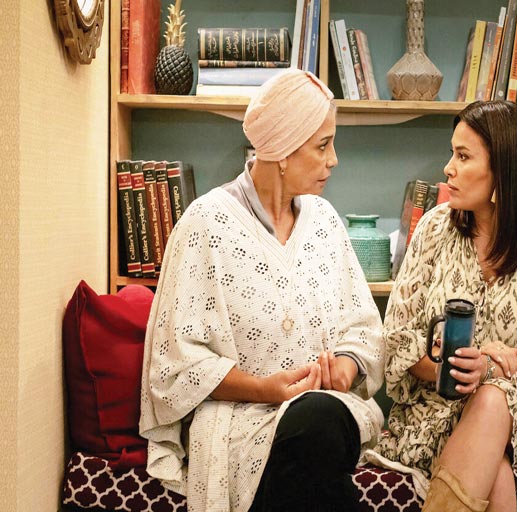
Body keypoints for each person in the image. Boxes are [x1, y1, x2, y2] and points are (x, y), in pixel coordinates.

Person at [138, 69, 385, 512]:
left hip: (329, 411)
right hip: (237, 420)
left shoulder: (325, 221)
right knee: (314, 435)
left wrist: (345, 369)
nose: (334, 160)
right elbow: (175, 364)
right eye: (323, 145)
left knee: (319, 418)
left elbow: (363, 329)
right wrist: (265, 390)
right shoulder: (205, 224)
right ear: (283, 152)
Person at [371, 101, 517, 511]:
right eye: (452, 153)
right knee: (499, 474)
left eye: (463, 156)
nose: (448, 168)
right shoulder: (434, 229)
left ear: (502, 173)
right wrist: (453, 368)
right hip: (435, 412)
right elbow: (398, 340)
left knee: (493, 399)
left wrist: (488, 369)